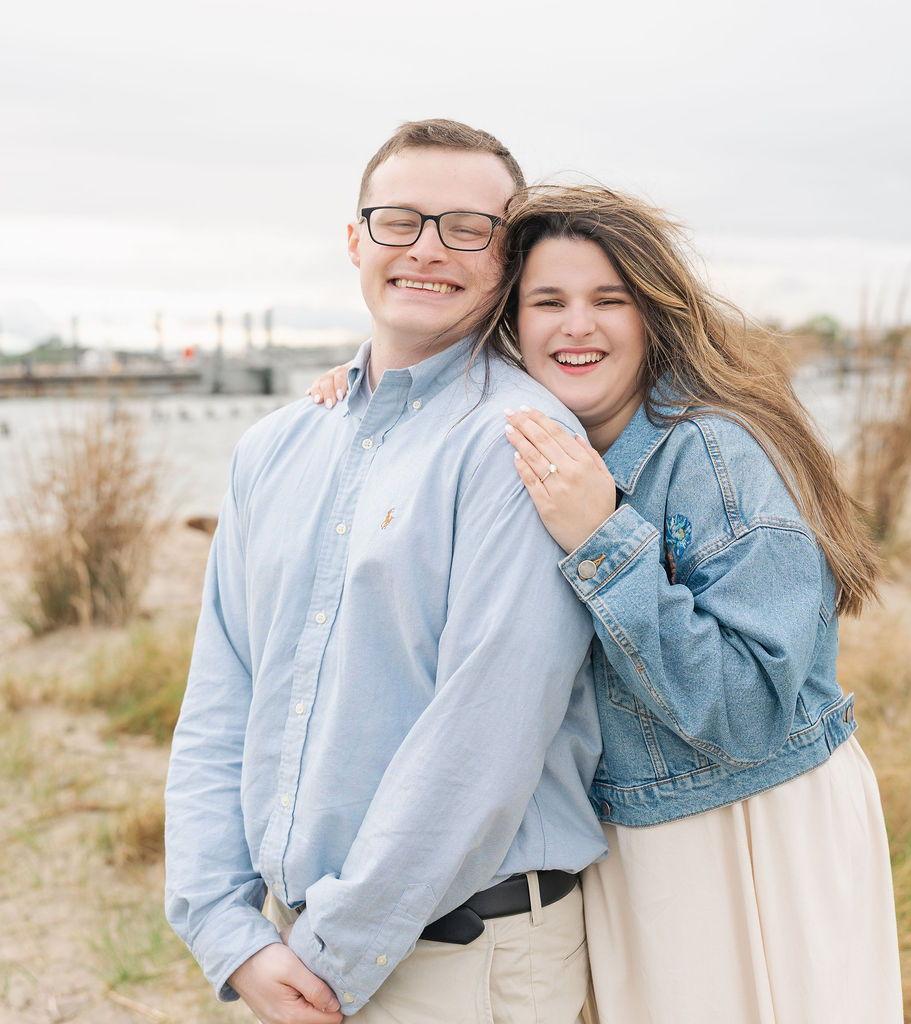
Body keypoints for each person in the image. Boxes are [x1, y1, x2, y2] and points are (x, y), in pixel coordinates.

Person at [308, 185, 904, 1022]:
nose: (576, 326)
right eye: (548, 302)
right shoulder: (549, 445)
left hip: (748, 827)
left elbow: (747, 712)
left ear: (654, 314)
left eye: (609, 300)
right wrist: (367, 385)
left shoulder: (712, 451)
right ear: (511, 324)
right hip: (632, 839)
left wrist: (603, 538)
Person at [164, 121, 608, 1024]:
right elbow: (221, 698)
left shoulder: (520, 443)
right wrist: (224, 927)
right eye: (399, 220)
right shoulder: (273, 448)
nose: (427, 250)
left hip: (465, 963)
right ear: (355, 238)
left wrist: (330, 954)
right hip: (292, 951)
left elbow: (484, 735)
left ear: (506, 257)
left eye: (467, 228)